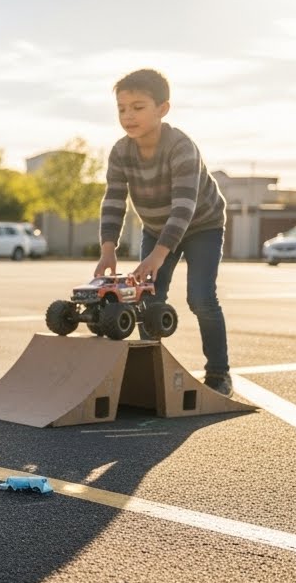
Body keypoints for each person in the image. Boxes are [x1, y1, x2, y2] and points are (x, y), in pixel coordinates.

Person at [97, 68, 231, 396]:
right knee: (149, 298)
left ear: (162, 109)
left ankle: (218, 372)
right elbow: (114, 199)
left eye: (138, 107)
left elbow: (183, 207)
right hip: (157, 227)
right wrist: (107, 249)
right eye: (122, 108)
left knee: (201, 298)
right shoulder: (120, 151)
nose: (128, 116)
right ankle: (150, 374)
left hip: (202, 225)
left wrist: (158, 256)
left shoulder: (181, 147)